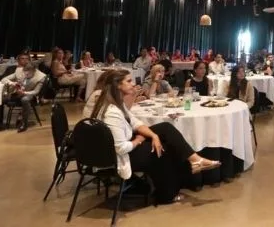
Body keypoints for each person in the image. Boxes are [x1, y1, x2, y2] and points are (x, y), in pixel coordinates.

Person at [90, 71, 221, 204]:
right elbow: (121, 148)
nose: (133, 84)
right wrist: (138, 140)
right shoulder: (112, 112)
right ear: (117, 85)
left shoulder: (117, 104)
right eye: (129, 81)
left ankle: (195, 160)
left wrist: (154, 135)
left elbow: (135, 122)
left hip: (124, 145)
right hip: (119, 157)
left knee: (165, 128)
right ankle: (167, 196)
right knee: (163, 149)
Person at [1, 62, 46, 132]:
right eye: (25, 73)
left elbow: (36, 91)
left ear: (34, 71)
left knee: (25, 100)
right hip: (16, 93)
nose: (26, 75)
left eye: (28, 74)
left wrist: (24, 93)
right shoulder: (19, 71)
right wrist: (12, 83)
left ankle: (24, 123)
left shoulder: (41, 77)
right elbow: (4, 79)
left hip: (30, 94)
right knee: (1, 98)